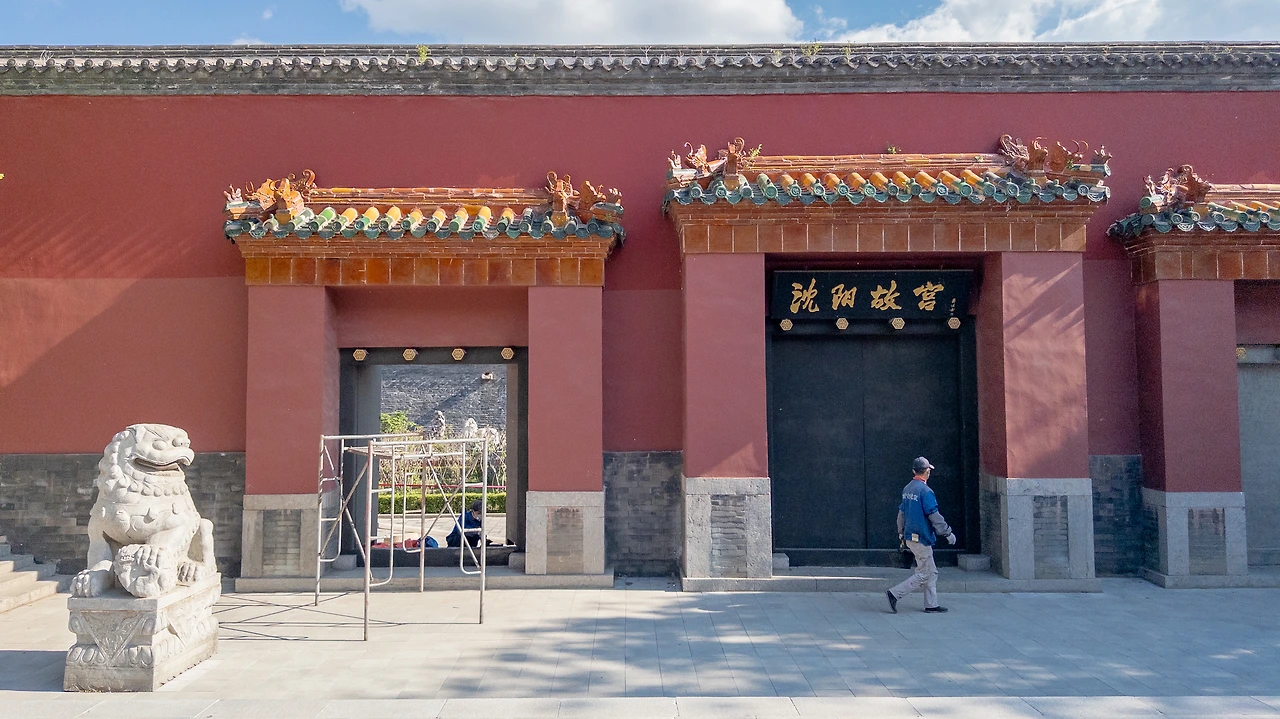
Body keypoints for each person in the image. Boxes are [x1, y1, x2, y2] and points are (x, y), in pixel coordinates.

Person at [886, 456, 957, 614]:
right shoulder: (926, 491)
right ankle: (894, 593)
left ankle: (931, 604)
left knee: (931, 572)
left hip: (910, 536)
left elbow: (901, 514)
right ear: (927, 472)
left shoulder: (907, 489)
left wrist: (900, 532)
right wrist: (947, 533)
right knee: (925, 573)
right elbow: (934, 515)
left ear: (914, 471)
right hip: (922, 537)